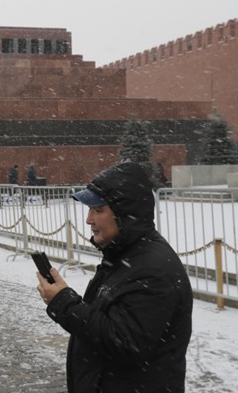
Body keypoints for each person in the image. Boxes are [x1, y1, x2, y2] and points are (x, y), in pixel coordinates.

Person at [36, 161, 192, 393]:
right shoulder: (124, 255)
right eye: (90, 210)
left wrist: (64, 303)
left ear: (125, 215)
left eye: (98, 210)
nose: (89, 220)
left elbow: (125, 343)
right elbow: (109, 324)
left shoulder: (153, 271)